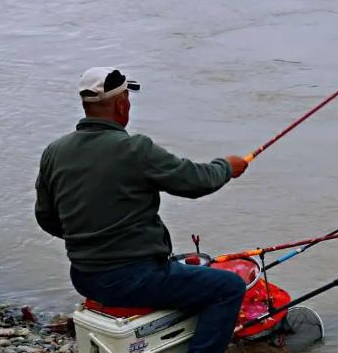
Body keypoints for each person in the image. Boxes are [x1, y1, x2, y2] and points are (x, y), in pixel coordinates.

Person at [35, 67, 249, 353]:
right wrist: (227, 167)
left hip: (84, 277)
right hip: (132, 279)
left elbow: (46, 217)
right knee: (228, 287)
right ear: (122, 104)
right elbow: (196, 182)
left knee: (189, 276)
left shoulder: (54, 151)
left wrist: (90, 238)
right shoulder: (135, 149)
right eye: (127, 98)